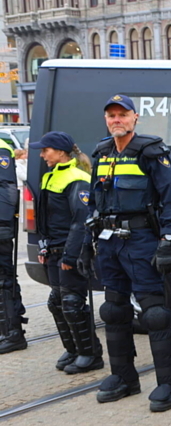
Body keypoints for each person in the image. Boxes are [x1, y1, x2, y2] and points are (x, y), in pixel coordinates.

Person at [89, 94, 171, 412]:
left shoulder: (150, 152)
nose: (116, 119)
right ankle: (124, 378)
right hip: (108, 240)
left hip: (141, 239)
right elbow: (93, 200)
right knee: (114, 310)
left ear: (135, 118)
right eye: (111, 115)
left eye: (122, 114)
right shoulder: (102, 153)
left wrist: (167, 240)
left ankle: (169, 385)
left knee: (155, 314)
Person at [32, 132, 104, 373]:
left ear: (61, 152)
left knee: (72, 303)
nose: (42, 155)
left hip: (68, 251)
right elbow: (44, 216)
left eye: (46, 150)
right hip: (53, 250)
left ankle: (90, 354)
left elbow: (80, 220)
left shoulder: (77, 177)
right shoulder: (50, 176)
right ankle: (73, 349)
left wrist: (71, 255)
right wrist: (43, 245)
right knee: (57, 302)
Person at [0, 128, 25, 354]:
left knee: (3, 280)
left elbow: (7, 191)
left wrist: (3, 226)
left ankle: (12, 333)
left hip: (0, 228)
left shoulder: (1, 148)